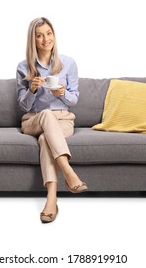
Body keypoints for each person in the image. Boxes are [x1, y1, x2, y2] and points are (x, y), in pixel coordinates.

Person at [16, 17, 88, 223]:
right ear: (33, 40)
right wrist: (32, 90)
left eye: (48, 33)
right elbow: (23, 106)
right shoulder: (23, 67)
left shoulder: (68, 63)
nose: (45, 39)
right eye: (39, 35)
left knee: (45, 140)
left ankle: (51, 199)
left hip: (63, 120)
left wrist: (62, 94)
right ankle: (68, 171)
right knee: (46, 115)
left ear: (54, 35)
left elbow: (73, 100)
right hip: (34, 119)